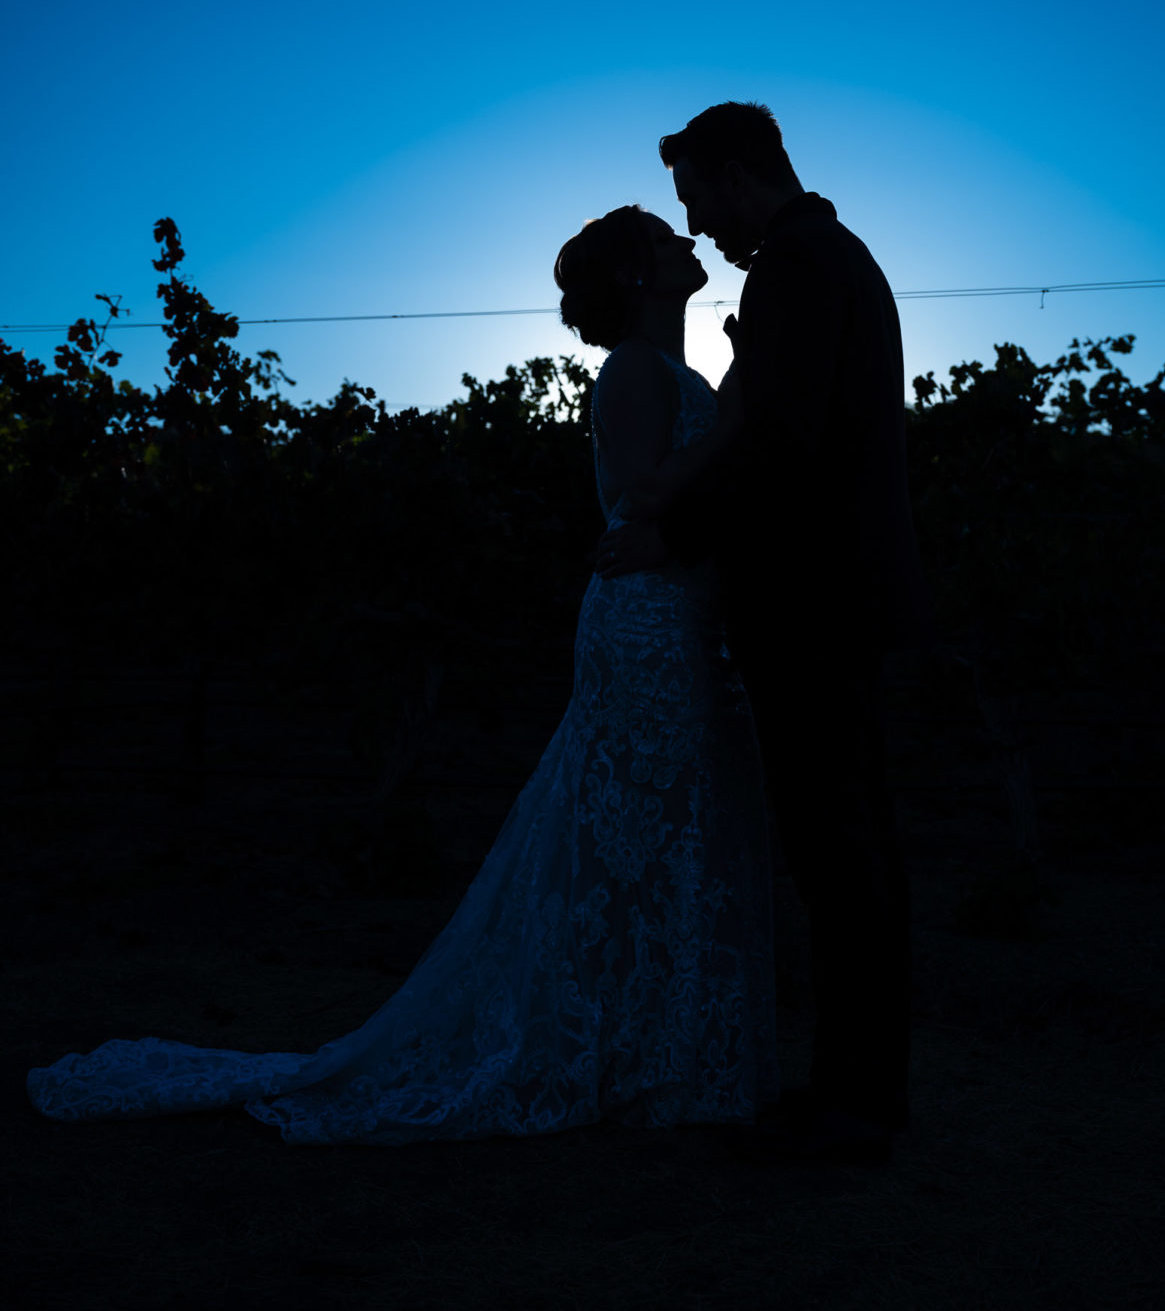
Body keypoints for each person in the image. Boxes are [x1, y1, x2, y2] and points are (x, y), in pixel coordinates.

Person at [26, 205, 781, 1146]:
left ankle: (659, 1051)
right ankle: (624, 1054)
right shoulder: (632, 369)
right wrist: (743, 404)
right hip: (645, 626)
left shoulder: (679, 371)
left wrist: (735, 392)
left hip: (687, 620)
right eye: (668, 240)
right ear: (637, 275)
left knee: (673, 834)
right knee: (628, 836)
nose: (689, 244)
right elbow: (644, 490)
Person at [597, 102, 932, 1165]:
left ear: (740, 176)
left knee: (838, 847)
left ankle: (858, 1101)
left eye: (700, 200)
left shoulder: (797, 266)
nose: (699, 228)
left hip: (812, 597)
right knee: (850, 842)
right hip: (837, 594)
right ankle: (858, 1086)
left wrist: (675, 536)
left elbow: (782, 440)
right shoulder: (829, 256)